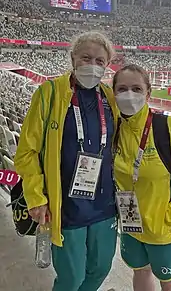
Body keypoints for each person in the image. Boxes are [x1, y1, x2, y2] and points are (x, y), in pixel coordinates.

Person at [14, 31, 118, 291]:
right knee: (71, 279)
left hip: (105, 206)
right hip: (67, 207)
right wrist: (36, 197)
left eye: (100, 61)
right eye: (86, 58)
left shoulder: (110, 98)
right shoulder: (49, 93)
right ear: (73, 58)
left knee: (99, 270)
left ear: (107, 65)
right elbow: (26, 152)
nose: (92, 65)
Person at [112, 64, 171, 291]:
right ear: (113, 93)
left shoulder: (170, 129)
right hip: (131, 222)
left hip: (165, 230)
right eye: (122, 89)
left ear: (148, 93)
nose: (128, 94)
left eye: (136, 88)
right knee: (140, 272)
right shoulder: (113, 129)